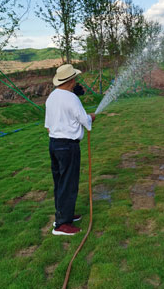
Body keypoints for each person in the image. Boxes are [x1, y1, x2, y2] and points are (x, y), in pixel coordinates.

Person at [45, 64, 96, 236]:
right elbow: (84, 119)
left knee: (60, 182)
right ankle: (62, 225)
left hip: (54, 144)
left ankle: (63, 215)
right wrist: (91, 118)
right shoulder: (72, 99)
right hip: (68, 146)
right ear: (72, 80)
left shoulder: (51, 97)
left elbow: (48, 126)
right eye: (75, 79)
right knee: (68, 183)